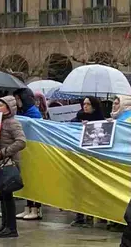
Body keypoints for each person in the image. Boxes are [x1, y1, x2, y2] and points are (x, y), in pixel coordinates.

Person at [0, 96, 26, 239]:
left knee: (8, 196)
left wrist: (4, 152)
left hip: (9, 163)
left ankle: (11, 228)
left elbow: (21, 142)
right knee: (2, 195)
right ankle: (5, 225)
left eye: (1, 105)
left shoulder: (12, 123)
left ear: (9, 108)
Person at [70, 97, 105, 227]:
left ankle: (92, 215)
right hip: (80, 158)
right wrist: (79, 125)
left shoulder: (101, 120)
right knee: (79, 188)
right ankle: (80, 216)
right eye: (84, 104)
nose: (85, 106)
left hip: (94, 160)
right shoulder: (78, 118)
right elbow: (69, 129)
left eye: (88, 104)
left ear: (94, 106)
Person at [12, 88, 43, 221]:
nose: (16, 102)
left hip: (34, 150)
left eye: (18, 99)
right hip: (26, 150)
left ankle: (36, 208)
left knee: (35, 180)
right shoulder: (23, 112)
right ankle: (28, 206)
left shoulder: (33, 113)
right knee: (27, 179)